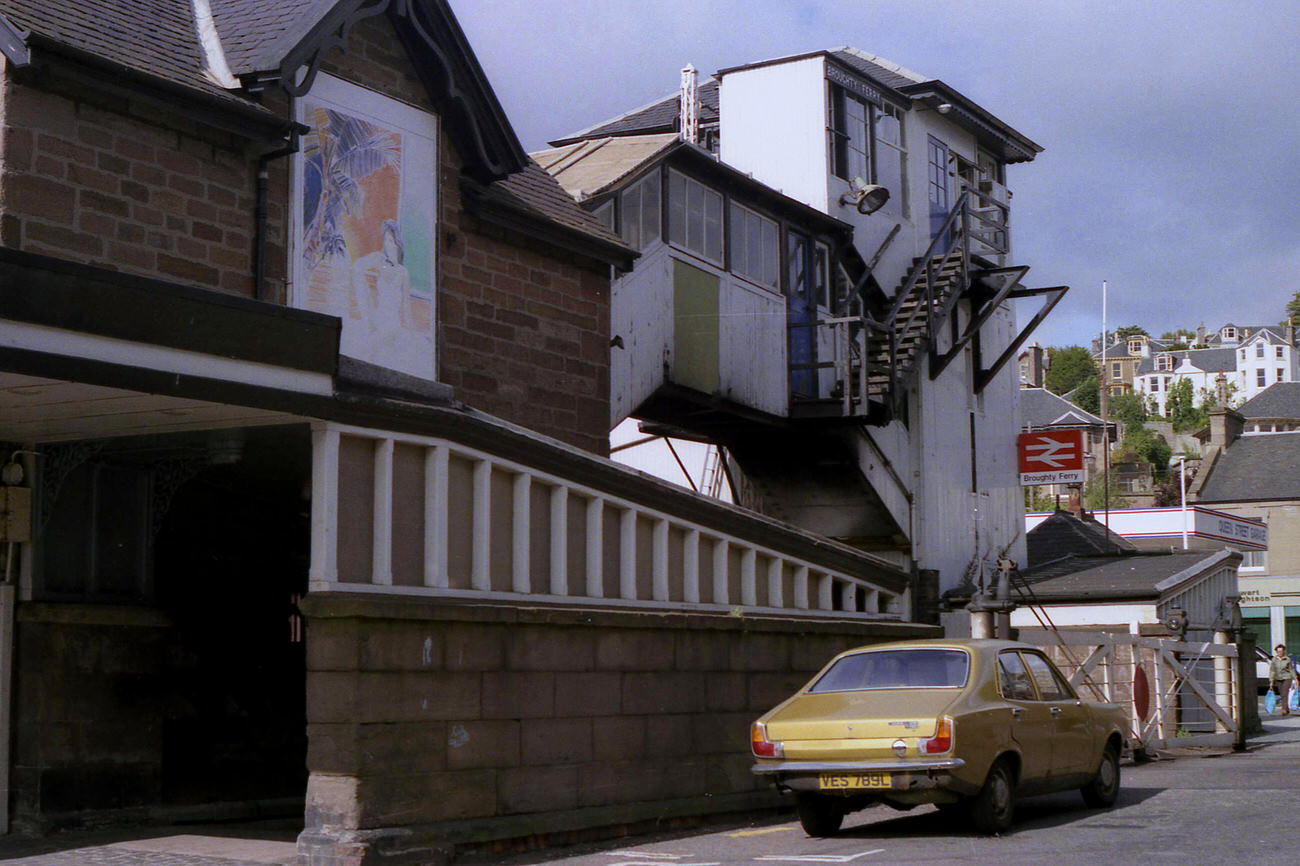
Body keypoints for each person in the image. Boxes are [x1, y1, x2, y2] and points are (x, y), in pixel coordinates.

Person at [1268, 643, 1295, 715]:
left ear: (1284, 651)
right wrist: (1271, 681)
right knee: (1281, 693)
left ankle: (1284, 709)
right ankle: (1286, 708)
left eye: (1281, 651)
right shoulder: (1274, 660)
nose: (1280, 653)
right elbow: (1272, 671)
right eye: (1278, 651)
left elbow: (1291, 670)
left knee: (1284, 693)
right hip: (1278, 678)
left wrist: (1295, 679)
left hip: (1287, 677)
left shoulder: (1287, 659)